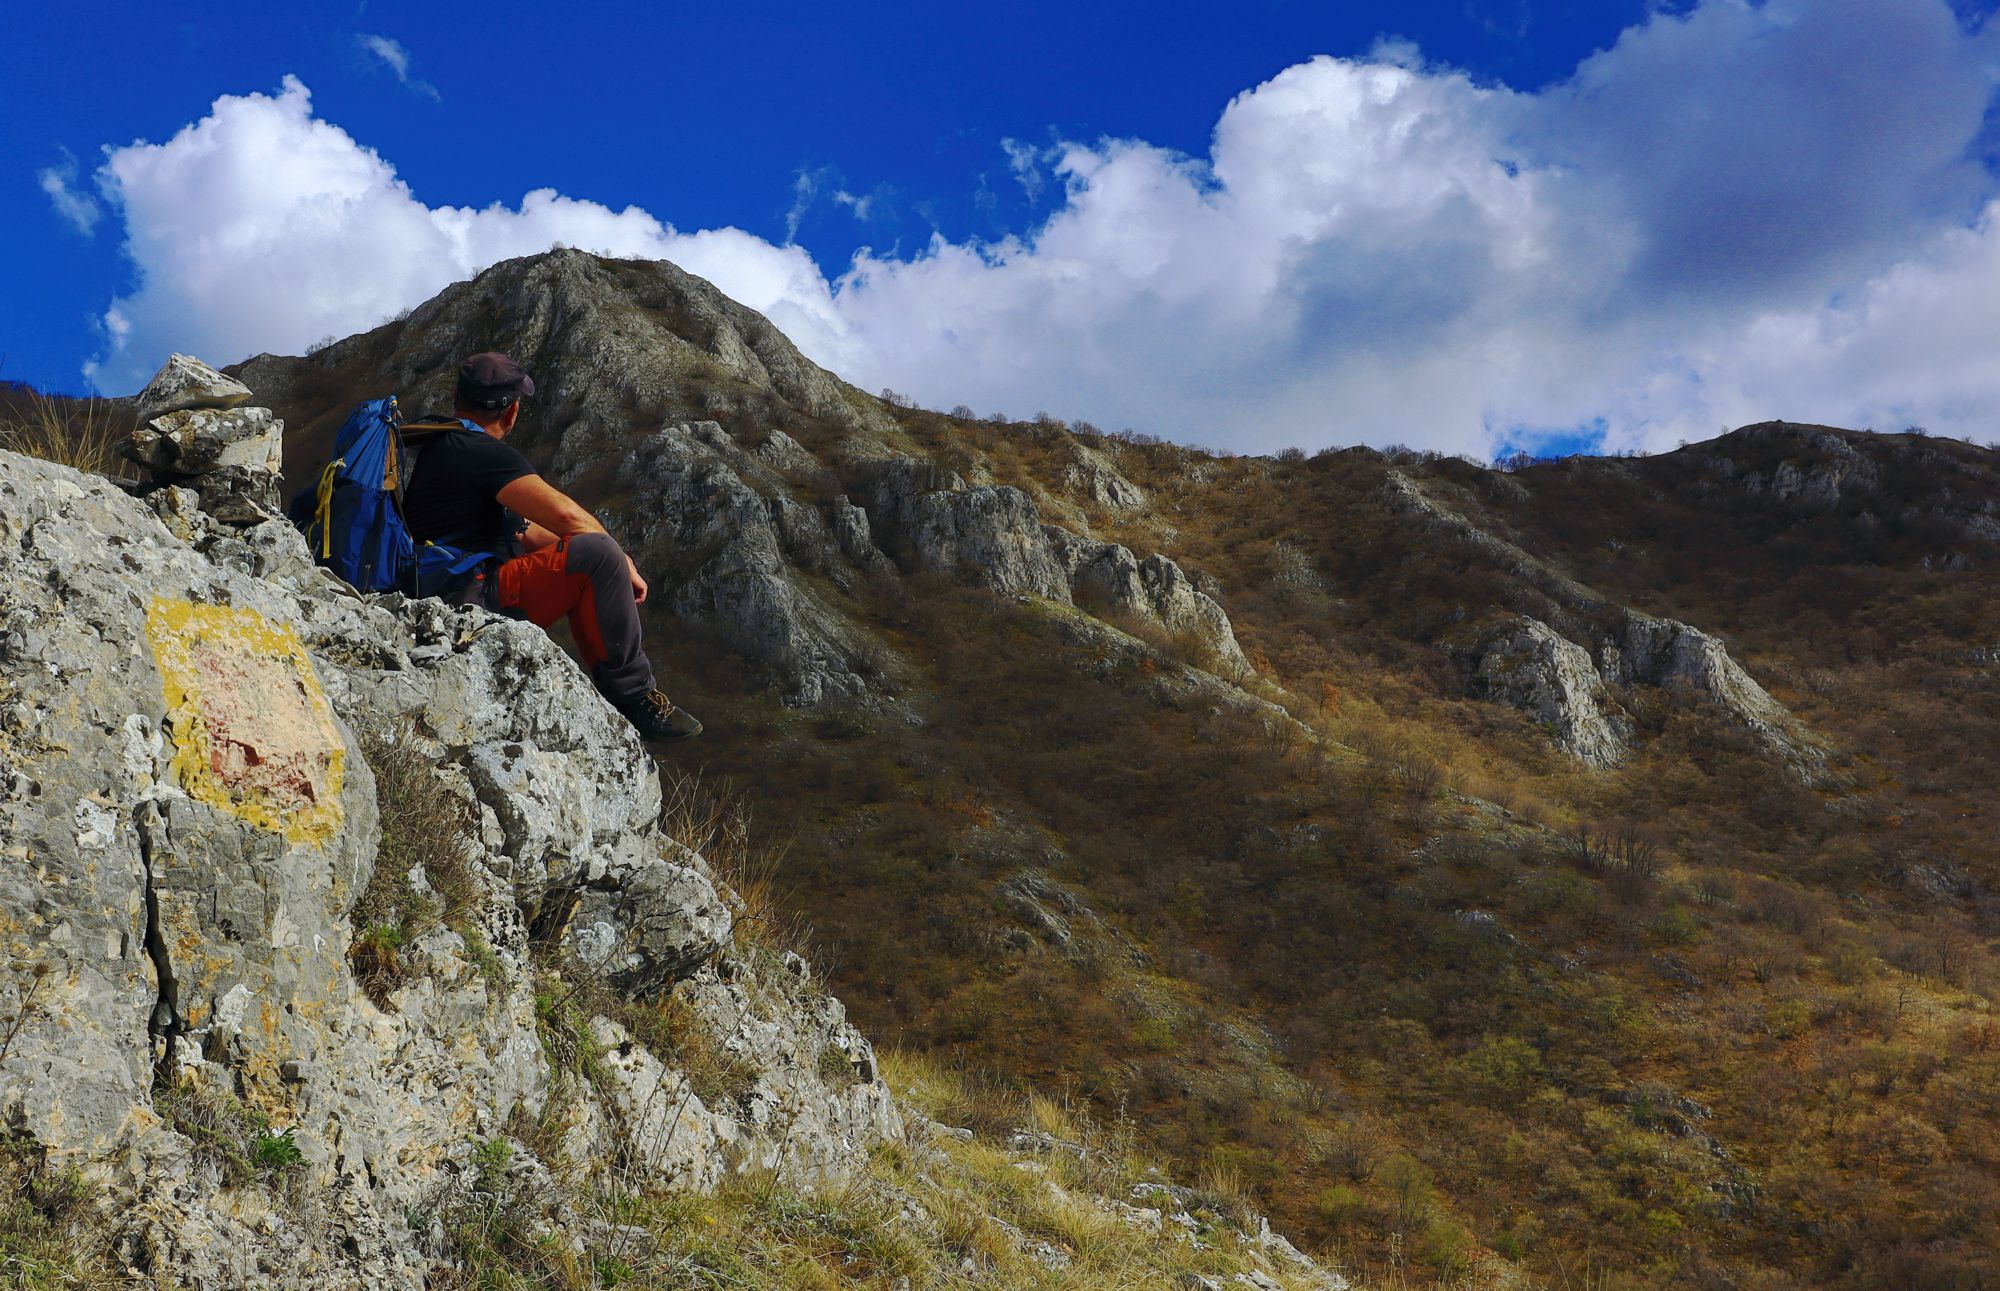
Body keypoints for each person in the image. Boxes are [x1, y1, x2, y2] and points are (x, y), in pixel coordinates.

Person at [401, 352, 702, 743]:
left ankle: (626, 690)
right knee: (599, 554)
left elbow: (526, 530)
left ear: (458, 395)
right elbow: (568, 519)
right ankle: (635, 698)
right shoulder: (478, 452)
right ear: (511, 412)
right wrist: (620, 561)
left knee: (593, 552)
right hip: (465, 598)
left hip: (445, 588)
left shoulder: (446, 445)